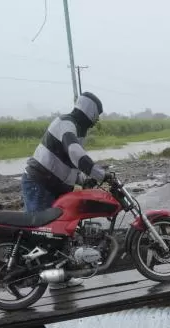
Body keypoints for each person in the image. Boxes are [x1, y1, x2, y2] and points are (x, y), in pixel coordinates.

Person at [22, 91, 110, 288]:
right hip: (40, 185)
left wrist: (83, 179)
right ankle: (30, 277)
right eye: (95, 116)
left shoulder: (75, 129)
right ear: (89, 112)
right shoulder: (66, 123)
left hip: (54, 186)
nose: (95, 121)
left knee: (61, 233)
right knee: (43, 235)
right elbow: (74, 153)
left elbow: (69, 165)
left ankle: (60, 277)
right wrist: (97, 173)